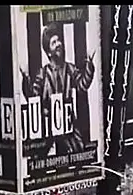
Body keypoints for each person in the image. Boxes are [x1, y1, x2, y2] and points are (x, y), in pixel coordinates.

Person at [19, 22, 96, 156]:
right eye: (54, 43)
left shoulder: (70, 69)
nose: (59, 44)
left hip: (67, 122)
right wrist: (25, 77)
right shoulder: (42, 74)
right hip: (48, 123)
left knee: (79, 152)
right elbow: (33, 97)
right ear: (48, 52)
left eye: (59, 40)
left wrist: (89, 63)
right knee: (38, 157)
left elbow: (83, 85)